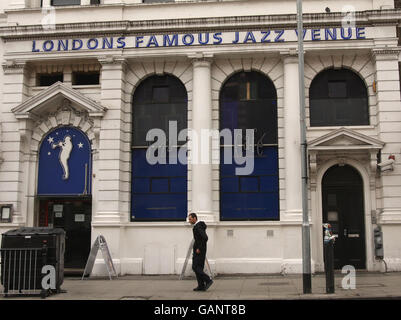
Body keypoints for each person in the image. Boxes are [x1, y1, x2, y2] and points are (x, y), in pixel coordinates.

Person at [188, 212, 213, 291]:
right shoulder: (198, 226)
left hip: (199, 250)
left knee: (195, 267)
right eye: (189, 219)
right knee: (199, 267)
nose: (189, 221)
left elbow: (205, 238)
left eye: (190, 219)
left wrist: (199, 248)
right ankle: (201, 285)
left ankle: (208, 280)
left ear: (195, 218)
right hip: (199, 250)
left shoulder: (198, 227)